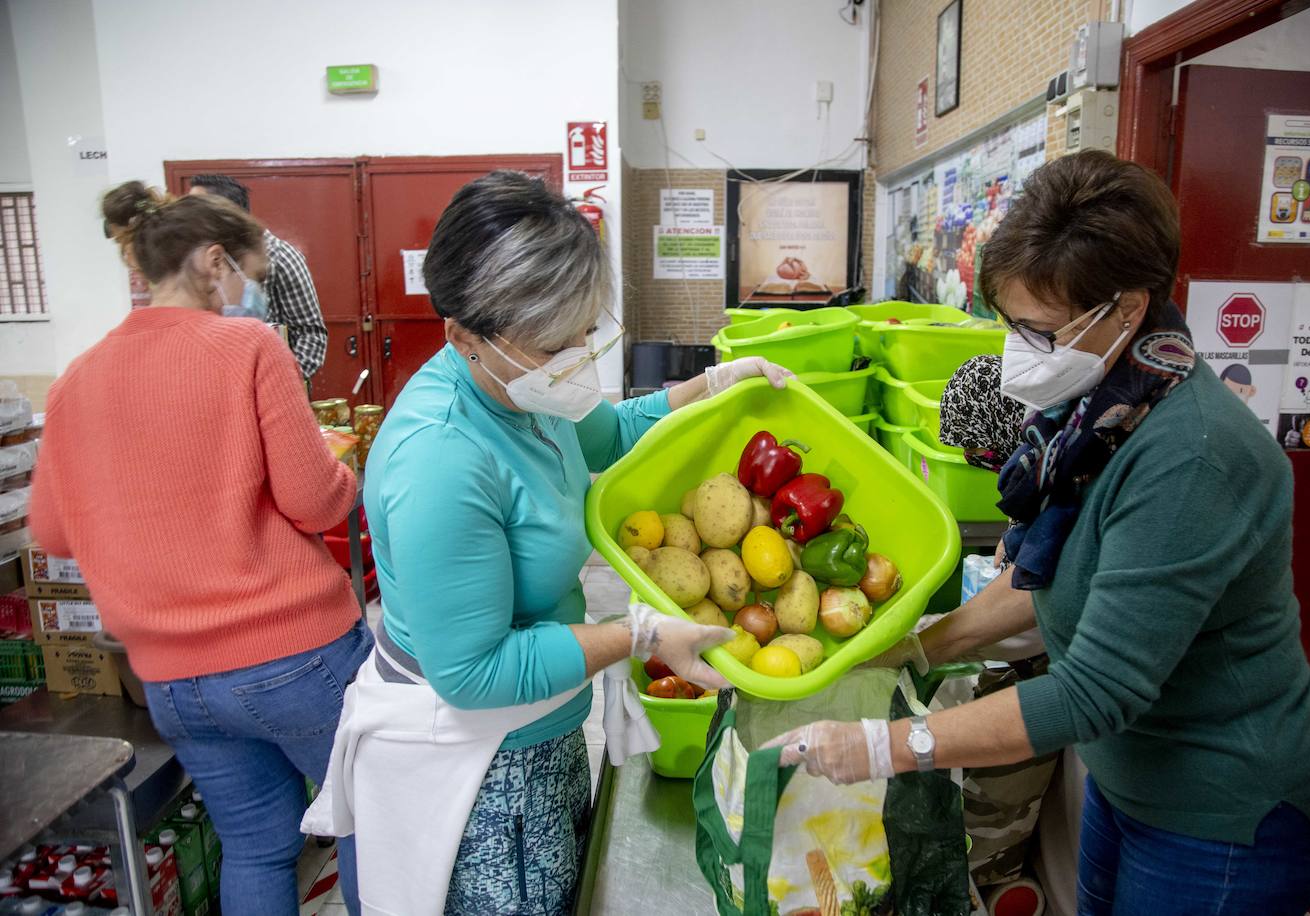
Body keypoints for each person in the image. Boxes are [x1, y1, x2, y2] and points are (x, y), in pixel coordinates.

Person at [764, 150, 1310, 915]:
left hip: (1224, 809)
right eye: (1011, 324)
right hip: (1127, 780)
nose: (1018, 350)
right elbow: (1045, 584)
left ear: (1127, 309)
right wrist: (914, 649)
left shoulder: (1190, 458)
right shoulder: (1098, 414)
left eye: (1039, 329)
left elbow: (1095, 690)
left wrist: (885, 746)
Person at [301, 170, 791, 916]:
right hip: (481, 769)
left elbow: (613, 432)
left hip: (546, 723)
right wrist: (639, 633)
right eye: (552, 343)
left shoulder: (528, 387)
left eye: (583, 333)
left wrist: (714, 386)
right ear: (463, 334)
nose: (574, 359)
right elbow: (473, 671)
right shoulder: (441, 458)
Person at [30, 181, 370, 916]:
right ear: (214, 262)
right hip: (293, 660)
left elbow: (53, 532)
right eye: (251, 274)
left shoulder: (75, 380)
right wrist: (344, 469)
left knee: (256, 846)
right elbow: (314, 501)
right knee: (370, 828)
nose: (250, 292)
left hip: (173, 683)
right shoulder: (248, 345)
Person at [188, 174, 329, 381]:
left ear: (226, 213)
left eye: (196, 211)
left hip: (269, 382)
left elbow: (311, 334)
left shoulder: (279, 256)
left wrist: (282, 383)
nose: (188, 219)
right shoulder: (203, 259)